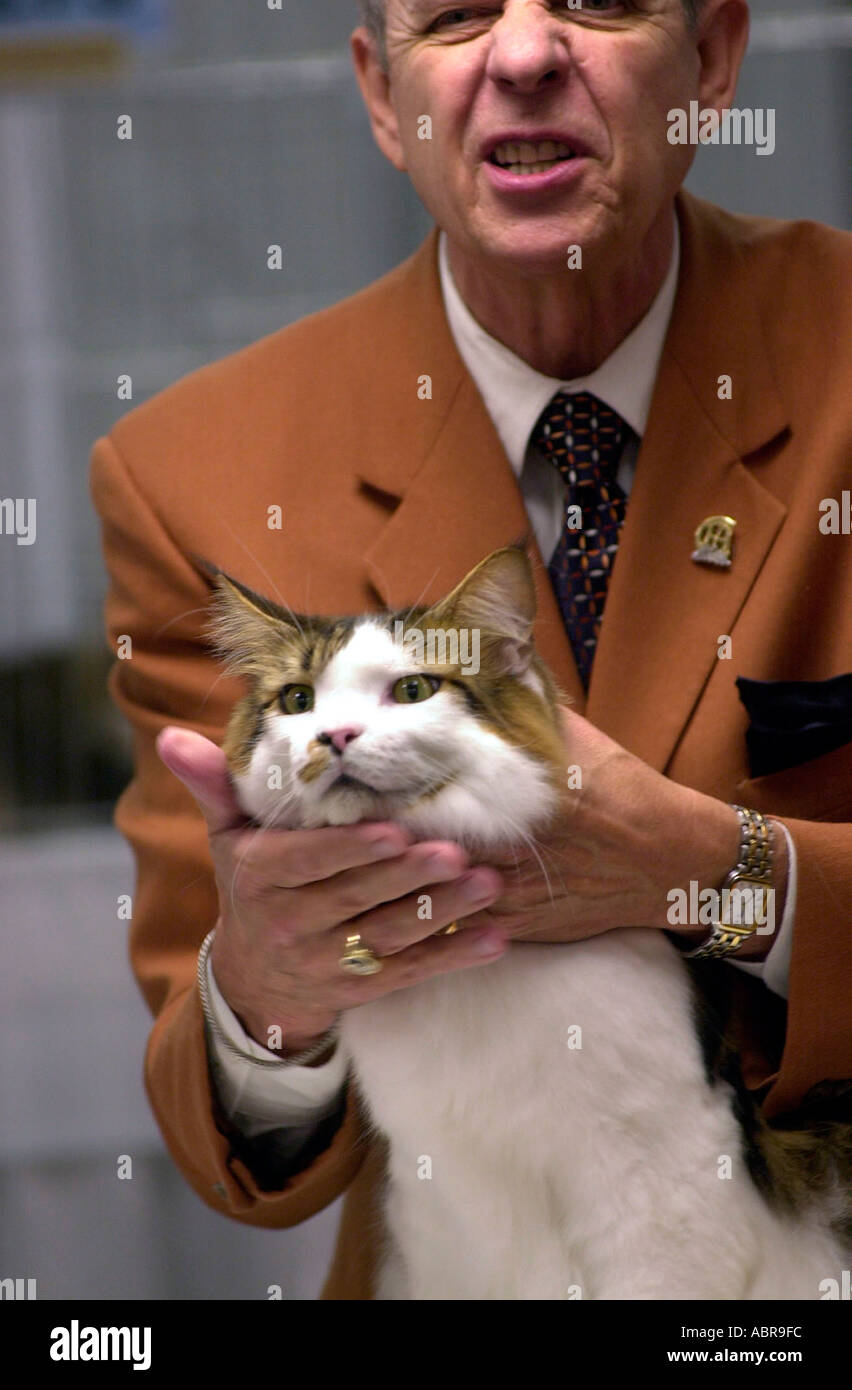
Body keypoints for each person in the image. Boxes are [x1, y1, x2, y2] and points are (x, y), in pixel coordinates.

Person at [90, 0, 852, 1300]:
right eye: (451, 15)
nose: (521, 53)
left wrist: (722, 875)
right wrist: (268, 998)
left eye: (596, 2)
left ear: (714, 61)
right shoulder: (190, 479)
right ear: (385, 100)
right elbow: (236, 1138)